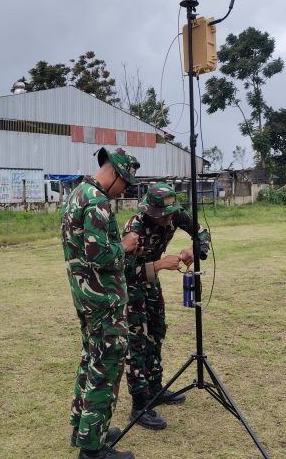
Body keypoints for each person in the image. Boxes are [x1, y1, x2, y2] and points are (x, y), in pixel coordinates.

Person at [61, 147, 141, 459]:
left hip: (86, 297)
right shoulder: (96, 202)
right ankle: (92, 450)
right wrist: (125, 245)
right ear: (115, 174)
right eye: (125, 184)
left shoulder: (77, 194)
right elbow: (99, 255)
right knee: (105, 366)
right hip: (103, 300)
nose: (124, 192)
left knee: (90, 359)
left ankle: (84, 429)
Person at [122, 183, 211, 430]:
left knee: (157, 332)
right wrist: (159, 265)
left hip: (152, 287)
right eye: (165, 214)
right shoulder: (135, 228)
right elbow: (124, 273)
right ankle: (139, 406)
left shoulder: (175, 215)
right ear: (151, 211)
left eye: (172, 213)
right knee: (137, 342)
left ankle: (155, 389)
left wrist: (195, 249)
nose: (170, 219)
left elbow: (202, 233)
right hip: (132, 288)